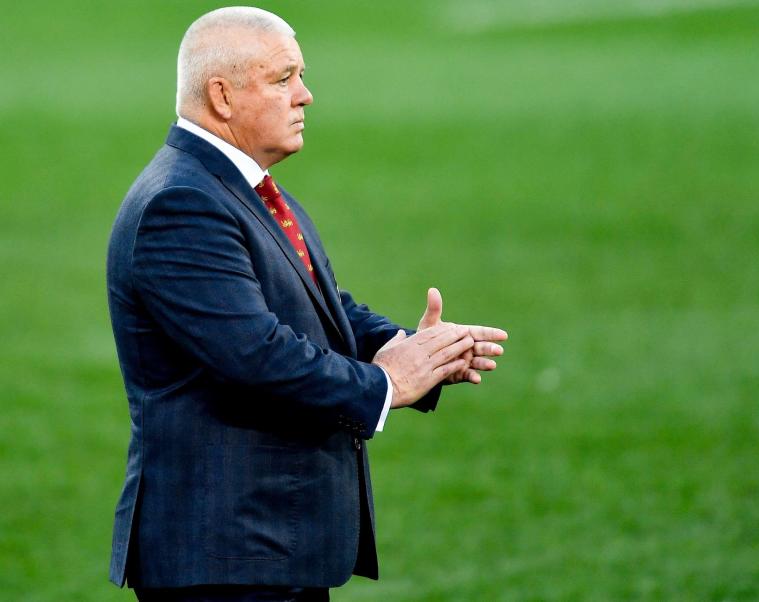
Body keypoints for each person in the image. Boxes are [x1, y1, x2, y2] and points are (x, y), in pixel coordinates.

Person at [105, 7, 508, 601]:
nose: (306, 95)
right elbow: (255, 356)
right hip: (225, 559)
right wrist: (387, 383)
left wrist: (412, 349)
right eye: (283, 78)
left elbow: (321, 307)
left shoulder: (239, 187)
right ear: (222, 96)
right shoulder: (181, 206)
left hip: (262, 550)